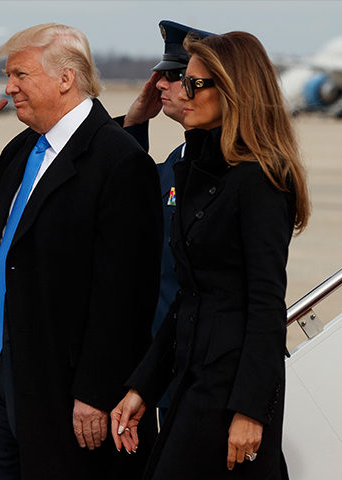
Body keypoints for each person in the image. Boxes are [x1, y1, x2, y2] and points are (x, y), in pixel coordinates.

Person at [0, 23, 161, 479]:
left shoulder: (118, 161)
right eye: (8, 75)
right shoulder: (26, 146)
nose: (9, 86)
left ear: (65, 79)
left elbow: (125, 295)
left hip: (64, 390)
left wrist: (97, 391)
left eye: (20, 74)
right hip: (1, 376)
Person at [110, 31, 310, 479]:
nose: (183, 92)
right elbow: (190, 295)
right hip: (191, 376)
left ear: (233, 90)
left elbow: (264, 303)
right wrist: (144, 384)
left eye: (195, 84)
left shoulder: (259, 180)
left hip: (229, 387)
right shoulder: (197, 168)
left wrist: (251, 411)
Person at [119, 20, 212, 338]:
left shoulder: (227, 170)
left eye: (175, 76)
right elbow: (124, 195)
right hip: (153, 351)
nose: (159, 85)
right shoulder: (178, 159)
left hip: (192, 351)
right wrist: (133, 125)